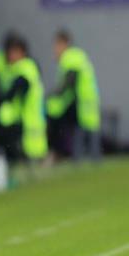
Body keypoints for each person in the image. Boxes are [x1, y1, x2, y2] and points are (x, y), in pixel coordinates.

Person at [47, 30, 101, 160]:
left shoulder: (71, 57)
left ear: (65, 43)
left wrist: (54, 94)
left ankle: (86, 158)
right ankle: (85, 158)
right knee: (86, 129)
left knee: (85, 130)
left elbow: (70, 81)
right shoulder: (76, 55)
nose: (55, 49)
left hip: (84, 99)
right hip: (87, 98)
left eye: (57, 45)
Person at [0, 34, 48, 164]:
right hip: (33, 120)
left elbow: (12, 92)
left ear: (22, 52)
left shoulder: (24, 69)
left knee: (29, 159)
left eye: (14, 52)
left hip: (28, 121)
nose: (11, 56)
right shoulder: (28, 68)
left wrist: (3, 100)